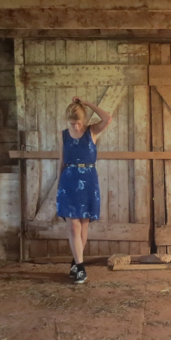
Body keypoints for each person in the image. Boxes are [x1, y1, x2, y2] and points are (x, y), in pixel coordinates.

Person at [57, 97, 112, 284]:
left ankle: (76, 262)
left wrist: (87, 103)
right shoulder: (63, 135)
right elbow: (61, 162)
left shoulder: (92, 131)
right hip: (69, 181)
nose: (76, 127)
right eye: (72, 123)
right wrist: (59, 188)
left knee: (83, 225)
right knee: (73, 226)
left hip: (88, 181)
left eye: (79, 123)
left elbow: (107, 118)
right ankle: (81, 268)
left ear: (84, 120)